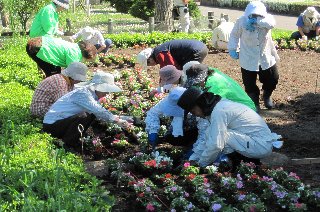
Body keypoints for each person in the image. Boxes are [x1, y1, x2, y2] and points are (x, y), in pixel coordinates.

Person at [177, 87, 282, 167]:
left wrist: (200, 164)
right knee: (212, 133)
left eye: (193, 111)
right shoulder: (217, 107)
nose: (195, 115)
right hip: (253, 142)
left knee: (222, 138)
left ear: (200, 104)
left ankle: (245, 164)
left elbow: (216, 144)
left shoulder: (219, 111)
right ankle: (242, 163)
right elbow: (205, 138)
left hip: (260, 145)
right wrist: (193, 159)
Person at [43, 71, 132, 147]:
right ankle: (66, 142)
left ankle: (73, 138)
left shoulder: (89, 93)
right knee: (85, 115)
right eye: (105, 90)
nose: (107, 93)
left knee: (90, 115)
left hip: (60, 123)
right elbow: (98, 110)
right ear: (98, 87)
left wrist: (123, 118)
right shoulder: (83, 94)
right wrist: (117, 121)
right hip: (52, 126)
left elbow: (99, 112)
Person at [228, 1, 279, 110]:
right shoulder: (241, 21)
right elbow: (234, 35)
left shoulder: (268, 19)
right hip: (248, 56)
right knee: (249, 83)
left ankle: (266, 97)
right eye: (253, 14)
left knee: (273, 78)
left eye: (258, 14)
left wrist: (256, 21)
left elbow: (271, 24)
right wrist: (233, 48)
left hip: (265, 55)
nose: (255, 16)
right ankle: (254, 102)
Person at [184, 63, 256, 111]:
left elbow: (211, 108)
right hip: (238, 105)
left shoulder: (214, 86)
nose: (197, 85)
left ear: (203, 78)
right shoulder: (211, 71)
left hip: (245, 109)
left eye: (197, 83)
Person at [26, 36, 97, 78]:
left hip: (41, 42)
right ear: (87, 56)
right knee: (53, 76)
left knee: (56, 72)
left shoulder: (76, 48)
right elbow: (71, 73)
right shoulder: (75, 55)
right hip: (38, 48)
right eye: (87, 61)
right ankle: (48, 92)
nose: (85, 62)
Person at [136, 39, 208, 70]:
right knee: (185, 70)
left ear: (149, 59)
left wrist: (164, 87)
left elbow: (171, 68)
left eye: (148, 64)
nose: (150, 66)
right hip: (199, 47)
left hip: (195, 50)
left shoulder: (160, 54)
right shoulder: (158, 50)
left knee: (189, 72)